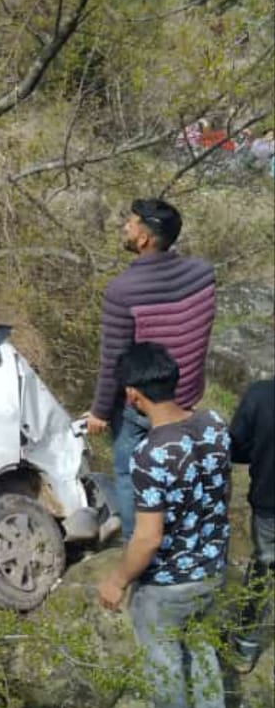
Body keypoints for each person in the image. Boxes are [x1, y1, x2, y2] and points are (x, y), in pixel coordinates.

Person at [98, 342, 230, 708]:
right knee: (202, 647)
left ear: (132, 395)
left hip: (168, 584)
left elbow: (148, 538)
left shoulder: (149, 454)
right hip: (212, 568)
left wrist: (118, 580)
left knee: (164, 662)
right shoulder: (214, 424)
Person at [86, 199, 216, 541]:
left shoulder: (122, 291)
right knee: (175, 469)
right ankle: (178, 534)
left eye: (130, 223)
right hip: (185, 398)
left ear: (144, 239)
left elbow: (114, 361)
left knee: (130, 475)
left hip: (142, 406)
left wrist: (100, 412)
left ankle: (137, 545)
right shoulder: (203, 273)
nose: (125, 227)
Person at [228, 379, 275, 672]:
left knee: (263, 572)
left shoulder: (261, 394)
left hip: (270, 503)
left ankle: (245, 647)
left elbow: (235, 447)